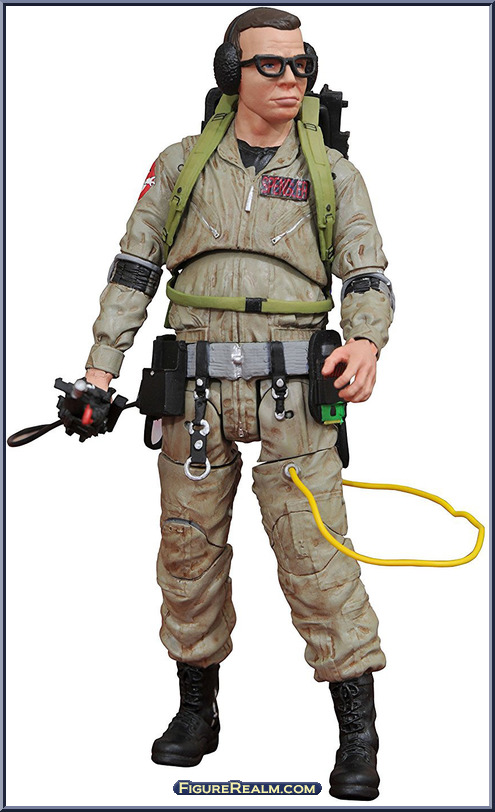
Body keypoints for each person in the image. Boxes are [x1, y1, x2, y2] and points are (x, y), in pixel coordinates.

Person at [84, 7, 394, 801]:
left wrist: (365, 340)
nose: (291, 79)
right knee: (187, 553)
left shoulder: (332, 173)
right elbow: (133, 266)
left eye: (301, 64)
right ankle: (197, 710)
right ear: (231, 72)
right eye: (271, 65)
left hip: (295, 392)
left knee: (317, 558)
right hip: (194, 393)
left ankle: (357, 730)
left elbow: (365, 273)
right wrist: (97, 373)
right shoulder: (181, 164)